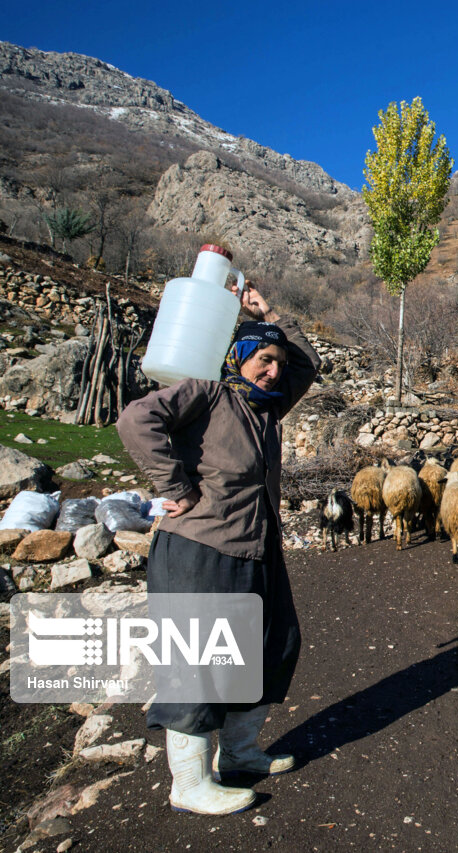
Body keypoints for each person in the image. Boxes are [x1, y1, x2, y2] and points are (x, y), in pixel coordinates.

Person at [119, 280, 321, 815]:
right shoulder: (208, 393)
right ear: (237, 358)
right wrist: (174, 487)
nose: (273, 369)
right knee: (196, 663)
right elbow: (137, 420)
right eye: (262, 358)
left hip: (256, 550)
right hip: (198, 549)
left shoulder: (266, 412)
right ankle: (188, 782)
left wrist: (270, 313)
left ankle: (240, 755)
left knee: (272, 647)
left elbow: (307, 366)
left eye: (277, 361)